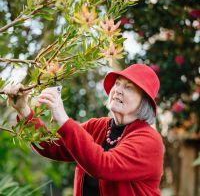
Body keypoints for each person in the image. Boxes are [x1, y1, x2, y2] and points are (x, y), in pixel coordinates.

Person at [4, 64, 164, 196]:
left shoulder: (149, 140)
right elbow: (53, 146)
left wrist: (63, 117)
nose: (118, 90)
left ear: (144, 102)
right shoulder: (98, 126)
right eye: (117, 83)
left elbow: (103, 165)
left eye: (128, 87)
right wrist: (24, 110)